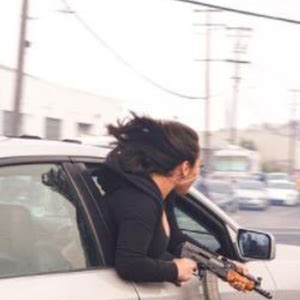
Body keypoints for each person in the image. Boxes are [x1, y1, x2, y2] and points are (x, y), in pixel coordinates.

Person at [97, 114, 248, 288]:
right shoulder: (140, 202)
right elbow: (129, 263)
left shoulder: (161, 195)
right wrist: (174, 270)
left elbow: (176, 241)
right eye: (199, 166)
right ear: (185, 168)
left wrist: (223, 266)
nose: (198, 173)